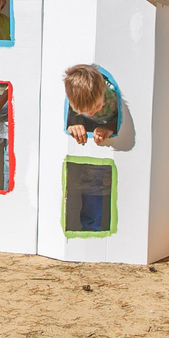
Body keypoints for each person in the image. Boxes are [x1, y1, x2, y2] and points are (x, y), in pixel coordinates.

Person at [63, 63, 122, 231]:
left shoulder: (111, 94)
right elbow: (71, 116)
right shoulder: (76, 99)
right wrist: (74, 123)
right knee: (91, 182)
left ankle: (100, 228)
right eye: (85, 111)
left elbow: (125, 119)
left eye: (96, 106)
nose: (92, 113)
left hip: (109, 136)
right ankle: (90, 228)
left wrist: (111, 127)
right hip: (91, 143)